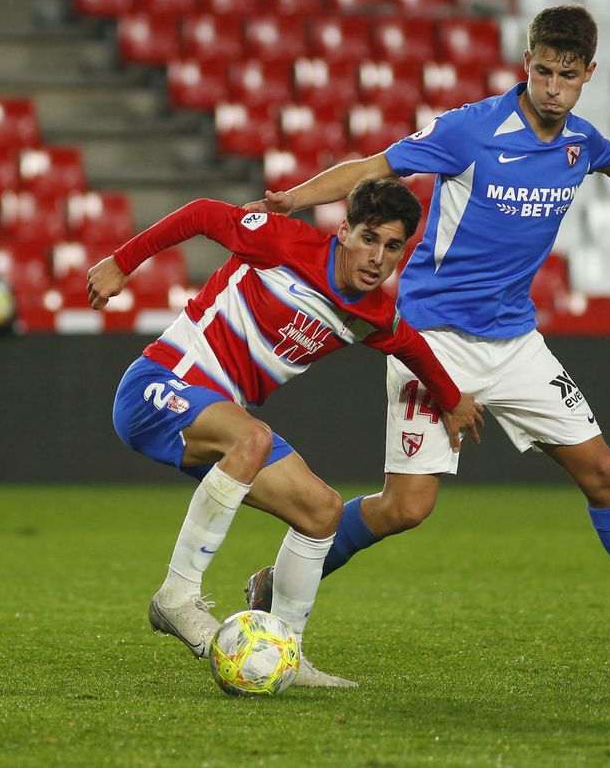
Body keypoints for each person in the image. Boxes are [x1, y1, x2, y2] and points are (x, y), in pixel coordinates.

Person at [243, 4, 610, 670]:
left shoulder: (578, 142)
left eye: (567, 75)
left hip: (515, 342)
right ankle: (279, 586)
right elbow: (378, 163)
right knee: (407, 507)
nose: (553, 86)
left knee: (603, 471)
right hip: (434, 338)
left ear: (589, 73)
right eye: (543, 71)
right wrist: (296, 199)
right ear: (526, 64)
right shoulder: (470, 130)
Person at [87, 178, 483, 688]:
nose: (377, 258)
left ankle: (287, 655)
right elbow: (204, 212)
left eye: (392, 247)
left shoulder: (372, 314)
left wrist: (452, 401)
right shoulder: (283, 244)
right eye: (368, 238)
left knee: (322, 511)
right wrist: (122, 262)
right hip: (162, 383)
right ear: (343, 230)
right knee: (250, 438)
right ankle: (177, 596)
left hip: (219, 419)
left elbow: (410, 347)